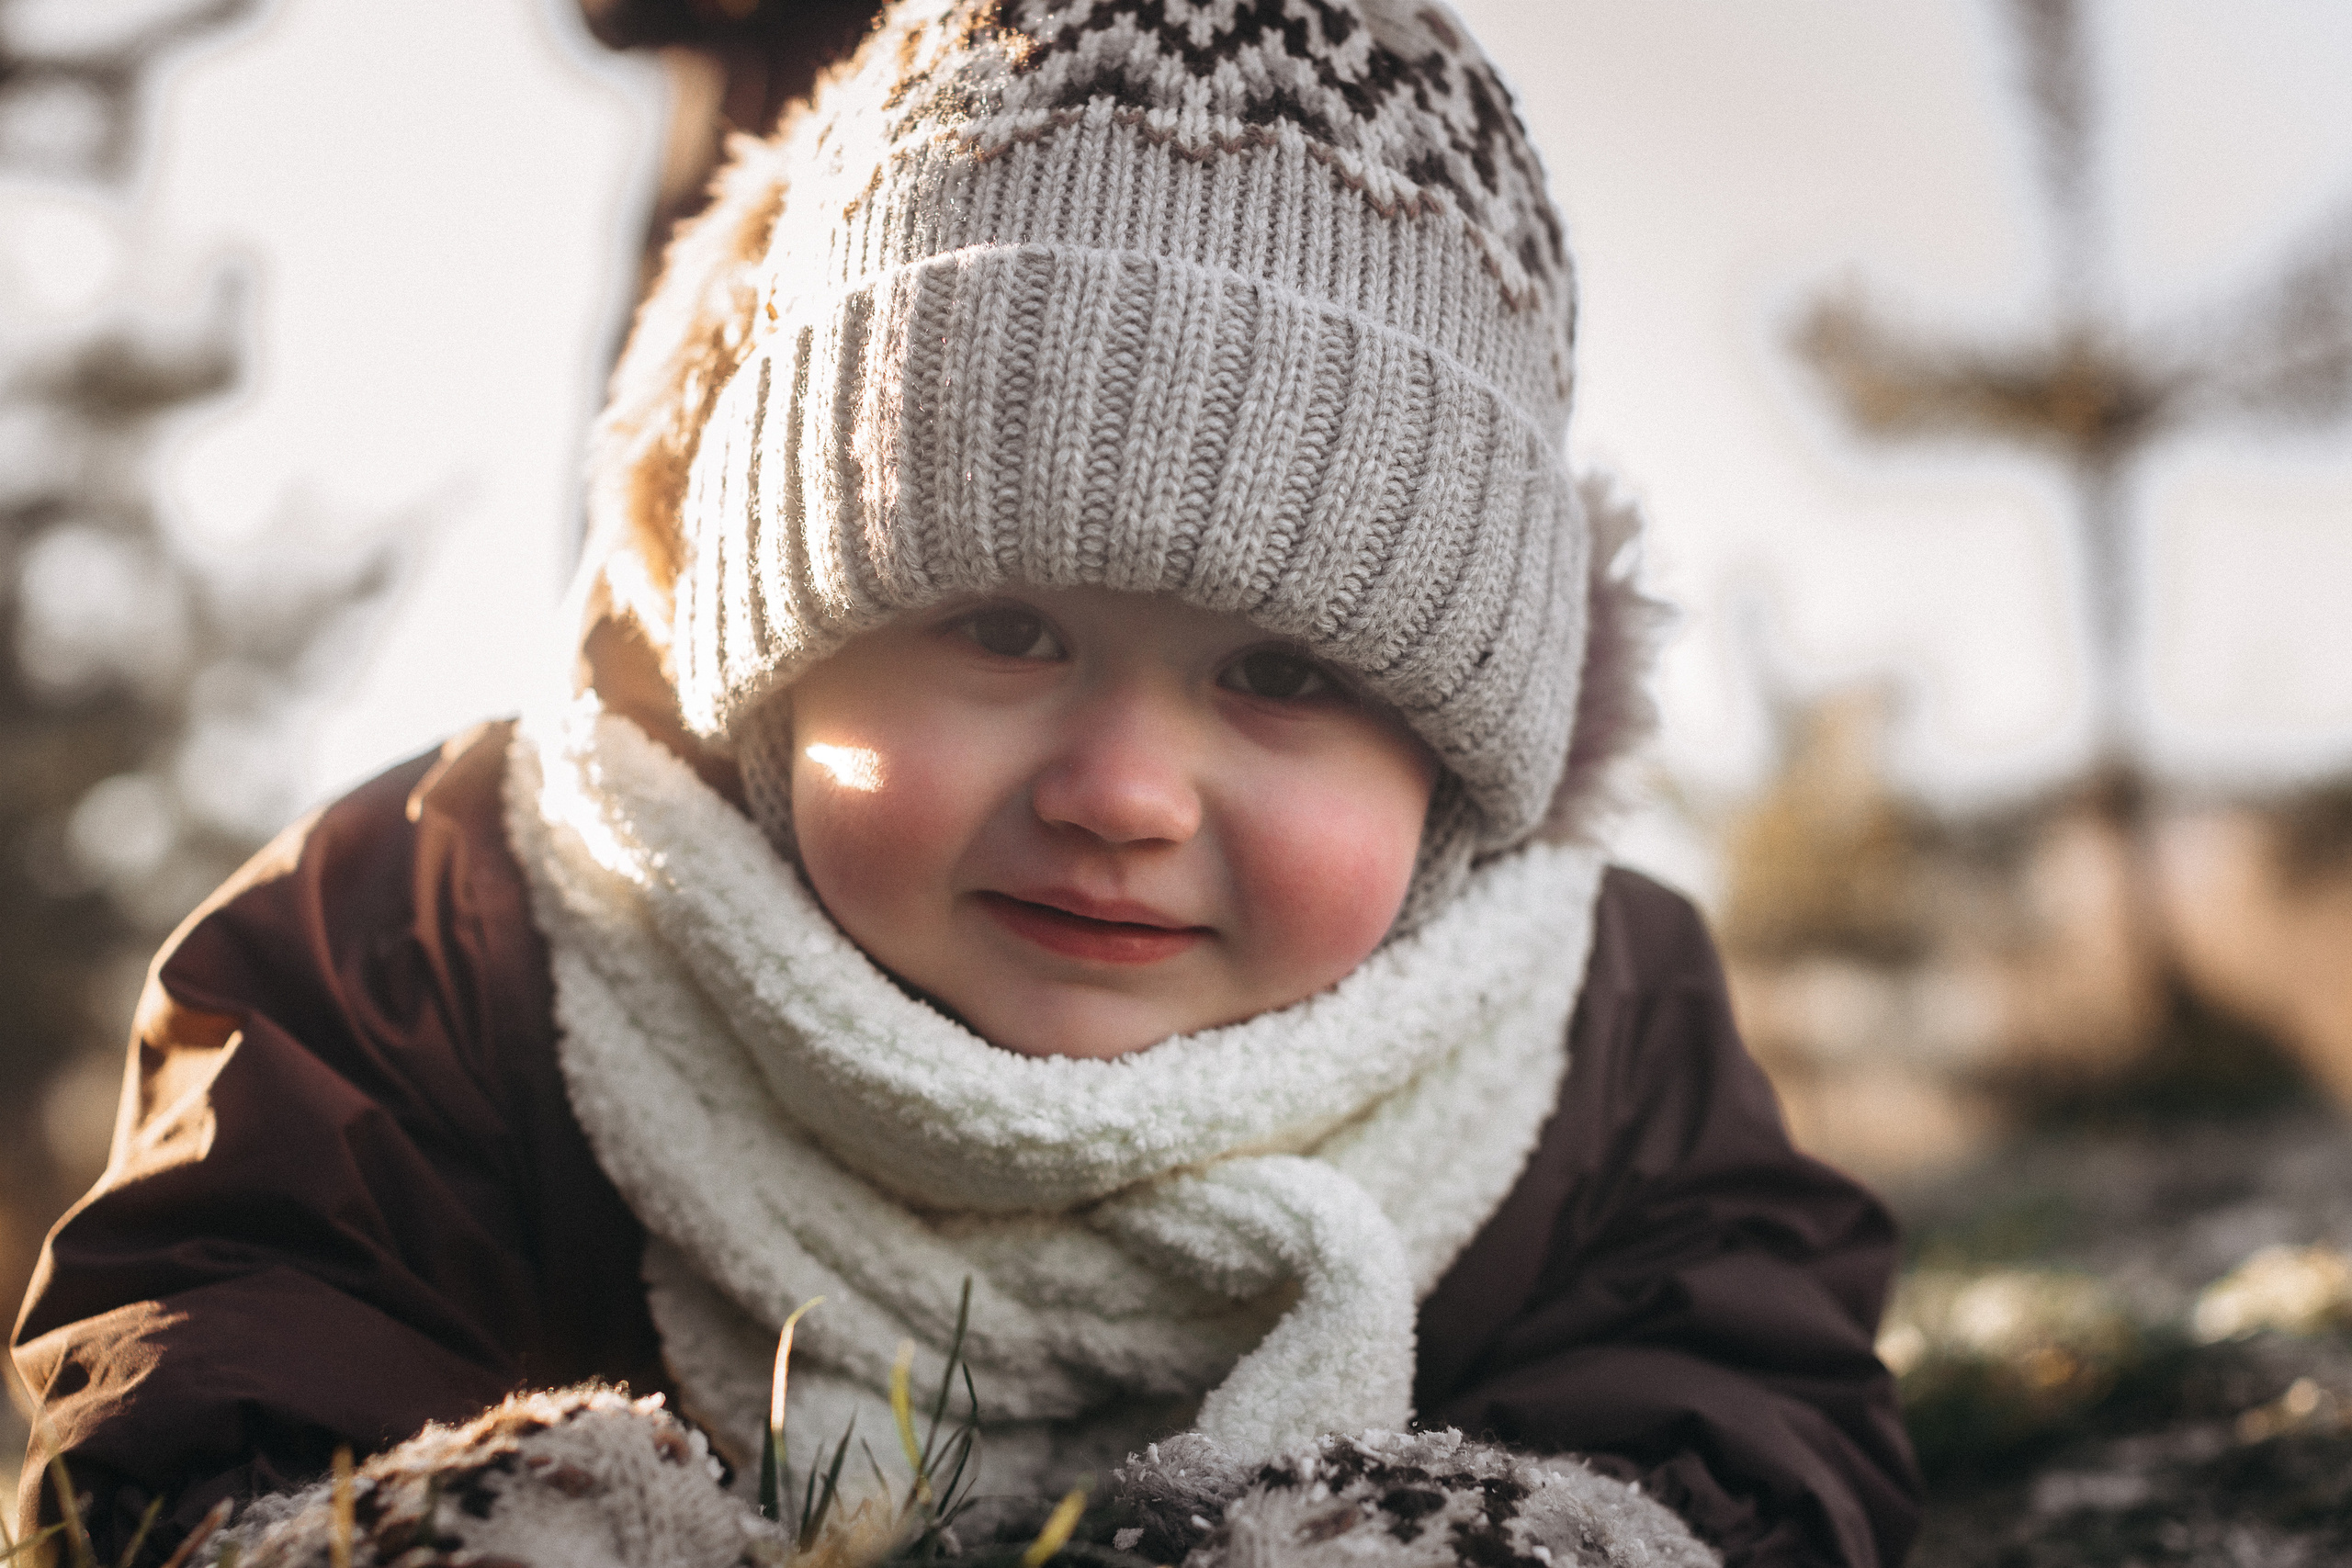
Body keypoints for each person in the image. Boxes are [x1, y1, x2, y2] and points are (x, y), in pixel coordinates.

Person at [11, 2, 1923, 1564]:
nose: (1118, 789)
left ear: (1461, 761)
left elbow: (1739, 1397)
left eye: (1280, 674)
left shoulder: (1586, 1033)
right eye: (1002, 628)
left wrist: (1532, 1534)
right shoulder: (458, 929)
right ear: (776, 646)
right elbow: (222, 1335)